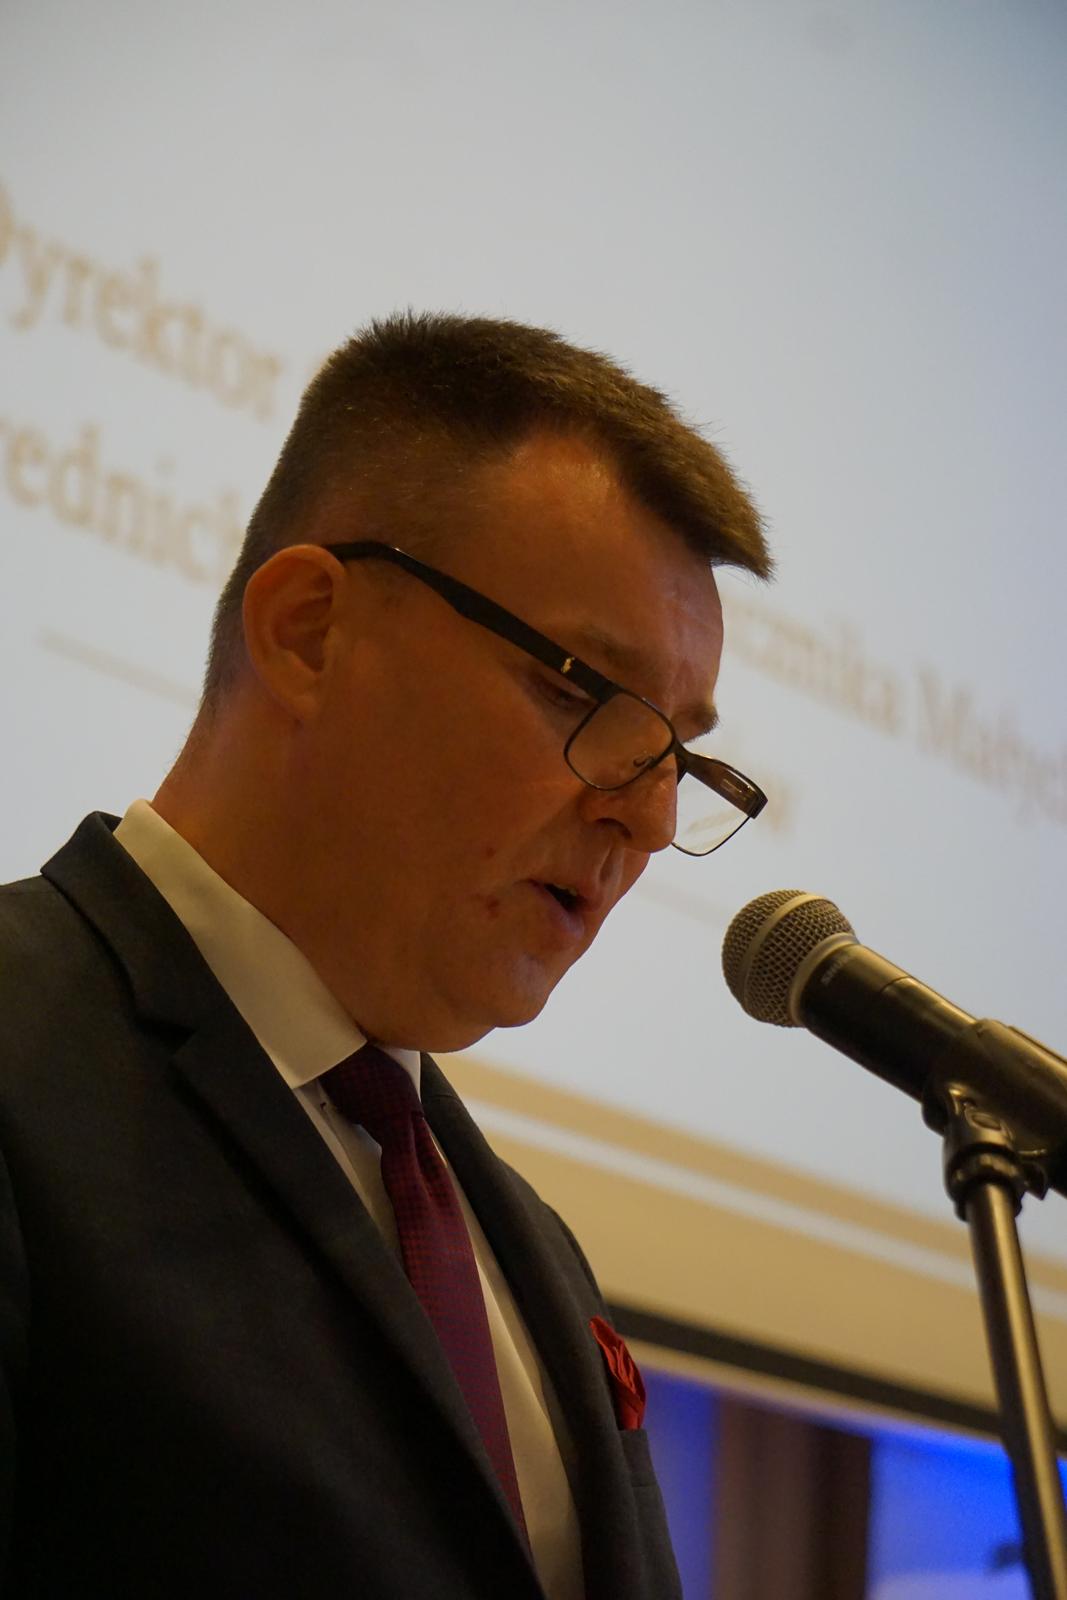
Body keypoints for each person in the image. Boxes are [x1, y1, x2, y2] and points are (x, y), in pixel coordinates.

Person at [0, 311, 771, 1598]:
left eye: (677, 754)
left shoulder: (525, 1244)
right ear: (308, 629)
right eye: (584, 692)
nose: (646, 817)